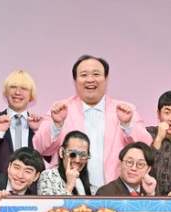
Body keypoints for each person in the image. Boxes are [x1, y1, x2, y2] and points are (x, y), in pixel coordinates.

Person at [33, 55, 152, 187]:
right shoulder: (60, 109)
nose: (90, 79)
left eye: (96, 74)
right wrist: (56, 125)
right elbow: (40, 148)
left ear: (106, 78)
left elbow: (146, 147)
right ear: (75, 80)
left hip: (114, 190)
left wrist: (127, 125)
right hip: (70, 189)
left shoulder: (125, 110)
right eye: (84, 75)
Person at [0, 70, 43, 173]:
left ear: (31, 95)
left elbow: (49, 156)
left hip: (31, 183)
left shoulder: (40, 125)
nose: (17, 92)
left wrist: (38, 132)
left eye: (24, 88)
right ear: (6, 92)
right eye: (13, 87)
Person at [38, 131, 92, 195]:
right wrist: (69, 185)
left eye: (83, 155)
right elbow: (49, 201)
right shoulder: (48, 176)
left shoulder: (91, 187)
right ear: (61, 152)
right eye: (72, 154)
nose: (77, 160)